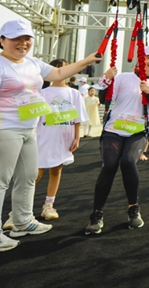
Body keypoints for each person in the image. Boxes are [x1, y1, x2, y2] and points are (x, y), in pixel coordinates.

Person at [0, 18, 100, 252]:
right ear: (2, 41)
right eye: (15, 38)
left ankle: (22, 221)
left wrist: (88, 60)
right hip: (4, 130)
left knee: (28, 176)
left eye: (27, 38)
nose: (23, 43)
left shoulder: (31, 62)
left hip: (29, 128)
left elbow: (59, 72)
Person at [85, 44, 149, 235]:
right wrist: (107, 79)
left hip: (137, 131)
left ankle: (133, 209)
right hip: (114, 129)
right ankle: (97, 214)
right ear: (140, 57)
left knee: (128, 162)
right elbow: (105, 98)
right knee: (110, 165)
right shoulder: (122, 77)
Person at [35, 59, 88, 221]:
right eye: (56, 68)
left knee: (56, 169)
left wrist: (77, 136)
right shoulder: (42, 93)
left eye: (64, 68)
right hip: (43, 137)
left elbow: (77, 118)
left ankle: (49, 205)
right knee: (35, 173)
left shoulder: (74, 94)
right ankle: (20, 208)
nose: (60, 72)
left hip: (63, 137)